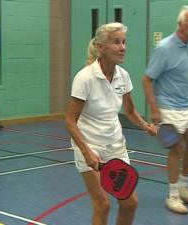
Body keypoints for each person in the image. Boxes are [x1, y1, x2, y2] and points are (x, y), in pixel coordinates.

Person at [65, 22, 156, 225]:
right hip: (90, 147)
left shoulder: (123, 76)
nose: (123, 47)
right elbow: (70, 120)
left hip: (116, 147)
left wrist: (145, 125)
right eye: (116, 42)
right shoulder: (84, 78)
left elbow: (130, 110)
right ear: (101, 47)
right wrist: (87, 151)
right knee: (102, 204)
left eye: (124, 42)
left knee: (130, 203)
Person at [142, 5, 188, 214]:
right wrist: (155, 110)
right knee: (176, 149)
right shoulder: (165, 48)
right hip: (168, 106)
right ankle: (173, 195)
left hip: (187, 104)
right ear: (180, 25)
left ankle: (184, 185)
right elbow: (147, 80)